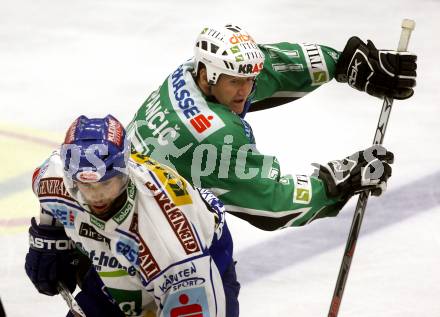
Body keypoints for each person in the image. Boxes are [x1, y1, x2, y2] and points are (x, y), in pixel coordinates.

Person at [128, 24, 408, 229]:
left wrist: (344, 62)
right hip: (146, 234)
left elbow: (270, 68)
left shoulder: (190, 73)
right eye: (236, 82)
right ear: (208, 74)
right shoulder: (213, 133)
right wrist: (333, 184)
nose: (246, 90)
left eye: (249, 80)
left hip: (117, 200)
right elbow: (269, 203)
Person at [25, 115, 240, 317]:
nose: (97, 196)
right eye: (87, 185)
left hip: (203, 260)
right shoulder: (57, 178)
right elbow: (45, 184)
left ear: (124, 172)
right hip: (126, 266)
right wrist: (50, 232)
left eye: (106, 183)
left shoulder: (169, 243)